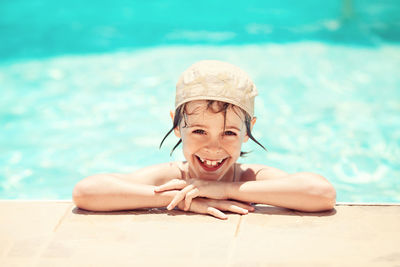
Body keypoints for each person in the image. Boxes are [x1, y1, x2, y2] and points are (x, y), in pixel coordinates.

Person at [72, 60, 336, 220]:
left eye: (229, 133)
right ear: (176, 125)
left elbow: (322, 194)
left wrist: (223, 190)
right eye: (199, 131)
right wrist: (182, 199)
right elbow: (86, 192)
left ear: (248, 131)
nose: (213, 147)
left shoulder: (250, 178)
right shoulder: (171, 179)